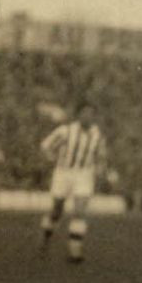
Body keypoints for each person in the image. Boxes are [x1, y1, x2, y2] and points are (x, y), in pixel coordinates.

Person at [38, 102, 107, 262]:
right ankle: (45, 237)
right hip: (63, 173)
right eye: (85, 113)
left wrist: (100, 170)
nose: (88, 117)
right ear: (79, 115)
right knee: (57, 210)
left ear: (94, 117)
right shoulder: (66, 131)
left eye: (91, 114)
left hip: (84, 174)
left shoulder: (97, 135)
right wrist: (52, 159)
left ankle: (75, 249)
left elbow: (101, 156)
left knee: (80, 210)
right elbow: (46, 146)